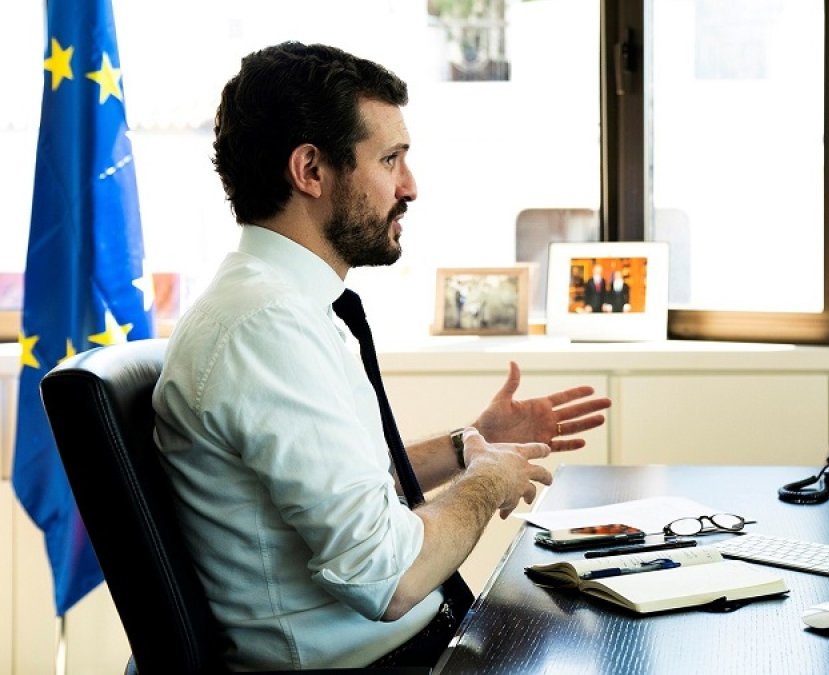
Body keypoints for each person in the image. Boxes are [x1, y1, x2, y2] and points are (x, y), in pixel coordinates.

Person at [151, 42, 611, 670]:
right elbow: (386, 577)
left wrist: (470, 441)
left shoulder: (280, 307)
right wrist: (488, 479)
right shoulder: (266, 329)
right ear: (310, 171)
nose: (410, 187)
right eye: (390, 159)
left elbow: (347, 495)